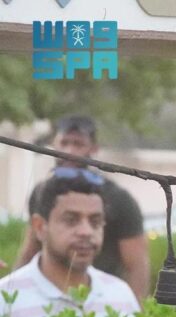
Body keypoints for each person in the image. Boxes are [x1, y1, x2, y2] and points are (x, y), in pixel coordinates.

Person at [13, 115, 150, 302]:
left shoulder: (119, 199)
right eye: (64, 142)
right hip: (47, 297)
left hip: (101, 300)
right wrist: (12, 294)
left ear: (93, 148)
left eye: (78, 144)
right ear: (54, 144)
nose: (69, 151)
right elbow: (30, 248)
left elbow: (137, 265)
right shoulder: (41, 192)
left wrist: (133, 316)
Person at [0, 173, 141, 317]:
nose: (86, 232)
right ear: (39, 227)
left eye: (95, 222)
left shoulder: (119, 294)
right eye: (71, 220)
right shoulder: (6, 298)